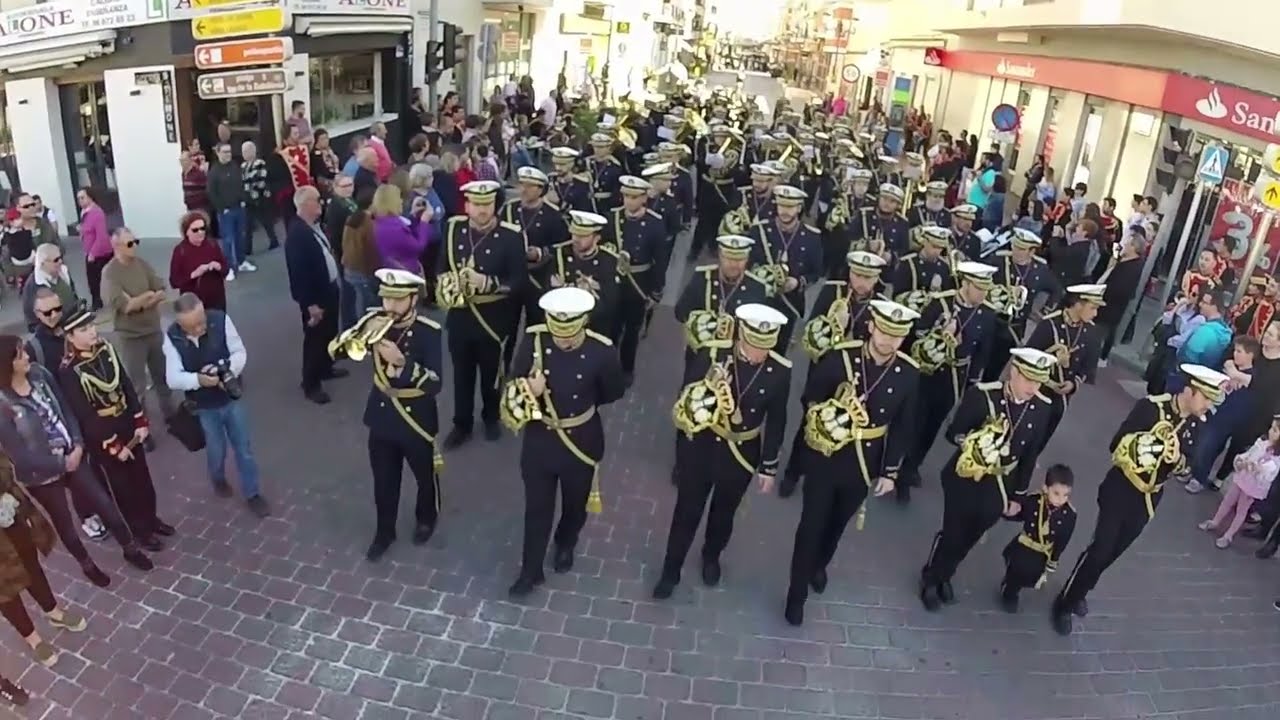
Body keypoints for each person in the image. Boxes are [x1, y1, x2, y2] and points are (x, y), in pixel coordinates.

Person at [1052, 364, 1227, 635]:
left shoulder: (1196, 424)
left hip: (1147, 499)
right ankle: (1065, 603)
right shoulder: (1152, 408)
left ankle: (1081, 588)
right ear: (1189, 391)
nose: (1207, 407)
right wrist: (1148, 447)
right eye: (1205, 398)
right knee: (1099, 550)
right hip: (1121, 488)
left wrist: (1176, 458)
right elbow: (1117, 444)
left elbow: (1188, 465)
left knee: (1113, 552)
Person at [784, 299, 920, 625]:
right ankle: (796, 593)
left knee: (836, 524)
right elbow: (810, 397)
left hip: (863, 463)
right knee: (811, 525)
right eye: (883, 331)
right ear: (871, 326)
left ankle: (820, 564)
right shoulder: (841, 356)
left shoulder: (908, 373)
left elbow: (904, 425)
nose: (887, 340)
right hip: (825, 458)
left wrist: (890, 471)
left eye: (896, 336)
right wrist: (828, 418)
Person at [654, 304, 792, 599]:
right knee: (687, 511)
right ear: (742, 334)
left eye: (765, 347)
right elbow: (685, 400)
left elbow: (777, 419)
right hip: (702, 446)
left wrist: (769, 466)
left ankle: (711, 556)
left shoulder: (779, 370)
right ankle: (670, 569)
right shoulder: (713, 354)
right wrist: (708, 393)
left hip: (741, 453)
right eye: (754, 344)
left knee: (723, 513)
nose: (758, 353)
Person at [0, 335, 154, 587]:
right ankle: (87, 565)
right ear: (6, 364)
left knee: (104, 502)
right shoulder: (3, 405)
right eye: (19, 355)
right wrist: (61, 464)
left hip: (73, 453)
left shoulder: (39, 375)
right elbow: (21, 457)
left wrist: (78, 443)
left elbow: (65, 408)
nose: (27, 357)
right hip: (43, 475)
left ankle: (130, 548)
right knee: (65, 523)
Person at [504, 287, 626, 597]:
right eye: (557, 333)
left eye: (569, 333)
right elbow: (512, 382)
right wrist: (529, 390)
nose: (563, 339)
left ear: (583, 323)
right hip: (540, 441)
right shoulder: (534, 340)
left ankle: (565, 542)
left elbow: (613, 391)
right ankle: (530, 571)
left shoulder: (602, 351)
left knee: (575, 505)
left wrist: (582, 404)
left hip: (580, 440)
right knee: (537, 508)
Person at [918, 347, 1058, 612]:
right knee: (952, 534)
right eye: (1028, 379)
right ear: (1014, 372)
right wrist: (977, 442)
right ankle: (931, 576)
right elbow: (953, 434)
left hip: (1000, 486)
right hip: (966, 478)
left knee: (972, 535)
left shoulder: (1041, 408)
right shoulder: (983, 397)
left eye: (1038, 381)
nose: (1033, 387)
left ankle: (947, 573)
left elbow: (1029, 455)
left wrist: (1018, 495)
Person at [333, 270, 443, 562]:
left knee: (424, 477)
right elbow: (345, 348)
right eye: (386, 298)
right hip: (382, 416)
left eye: (397, 300)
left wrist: (402, 363)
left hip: (416, 418)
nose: (389, 306)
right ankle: (385, 531)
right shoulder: (375, 322)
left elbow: (435, 384)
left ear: (412, 299)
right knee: (383, 480)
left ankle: (426, 518)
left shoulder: (429, 331)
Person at [57, 306, 172, 549]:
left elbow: (125, 383)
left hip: (126, 422)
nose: (92, 332)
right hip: (104, 434)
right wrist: (114, 445)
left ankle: (151, 520)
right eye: (84, 329)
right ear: (70, 336)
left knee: (143, 479)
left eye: (92, 326)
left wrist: (140, 420)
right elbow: (86, 414)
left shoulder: (106, 349)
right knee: (123, 488)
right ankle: (139, 531)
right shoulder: (69, 370)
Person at [780, 250, 888, 498]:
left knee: (841, 424)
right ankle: (793, 472)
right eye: (857, 274)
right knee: (811, 419)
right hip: (825, 368)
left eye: (867, 277)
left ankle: (823, 472)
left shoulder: (881, 304)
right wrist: (832, 326)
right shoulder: (832, 291)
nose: (860, 282)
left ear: (876, 279)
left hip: (856, 376)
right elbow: (811, 335)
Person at [162, 293, 271, 517]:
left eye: (201, 321)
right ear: (181, 324)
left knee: (244, 448)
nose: (201, 328)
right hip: (203, 406)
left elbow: (239, 352)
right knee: (216, 449)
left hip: (231, 399)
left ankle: (252, 493)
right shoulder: (172, 337)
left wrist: (228, 373)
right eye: (193, 326)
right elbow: (172, 378)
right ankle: (217, 476)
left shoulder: (220, 319)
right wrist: (198, 380)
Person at [437, 181, 527, 448]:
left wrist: (487, 283)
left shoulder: (511, 236)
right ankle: (461, 424)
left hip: (494, 319)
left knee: (492, 374)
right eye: (476, 204)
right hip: (461, 317)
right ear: (467, 205)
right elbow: (442, 265)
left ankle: (491, 416)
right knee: (462, 375)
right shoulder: (454, 229)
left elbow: (519, 280)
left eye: (487, 204)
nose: (482, 210)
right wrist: (448, 288)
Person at [0, 449, 88, 669]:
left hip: (9, 513)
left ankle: (53, 612)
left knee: (31, 565)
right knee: (5, 591)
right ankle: (33, 639)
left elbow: (4, 465)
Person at [601, 176, 669, 387]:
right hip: (613, 282)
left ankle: (626, 368)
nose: (628, 201)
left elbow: (660, 260)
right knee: (609, 328)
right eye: (625, 196)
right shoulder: (611, 218)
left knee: (631, 330)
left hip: (638, 283)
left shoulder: (655, 223)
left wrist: (656, 290)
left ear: (644, 198)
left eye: (634, 197)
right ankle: (606, 368)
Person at [285, 186, 348, 404]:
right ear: (304, 205)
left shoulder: (314, 227)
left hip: (328, 289)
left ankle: (326, 368)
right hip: (315, 297)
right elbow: (298, 273)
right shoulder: (297, 235)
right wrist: (310, 304)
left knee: (329, 332)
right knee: (315, 339)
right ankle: (310, 383)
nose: (321, 203)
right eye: (317, 200)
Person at [1026, 284, 1104, 455]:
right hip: (1035, 391)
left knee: (1039, 444)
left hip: (1059, 400)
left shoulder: (1092, 334)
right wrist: (1052, 360)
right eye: (1092, 307)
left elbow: (1087, 369)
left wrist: (1073, 384)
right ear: (1078, 304)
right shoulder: (1050, 325)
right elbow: (1027, 356)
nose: (1095, 313)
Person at [998, 463, 1076, 614]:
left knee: (1031, 576)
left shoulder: (1070, 515)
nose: (1061, 499)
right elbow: (1020, 514)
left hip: (1042, 552)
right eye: (1056, 493)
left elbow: (1062, 540)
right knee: (1015, 571)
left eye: (1066, 495)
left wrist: (1053, 560)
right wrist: (1007, 512)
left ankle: (1017, 586)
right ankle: (1009, 593)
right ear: (1045, 488)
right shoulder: (1034, 500)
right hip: (1025, 546)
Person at [547, 211, 620, 334]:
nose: (576, 239)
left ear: (597, 238)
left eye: (583, 235)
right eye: (574, 234)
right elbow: (549, 291)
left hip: (596, 325)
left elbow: (610, 302)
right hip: (564, 324)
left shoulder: (609, 261)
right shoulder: (560, 255)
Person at [207, 142, 255, 278]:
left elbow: (241, 185)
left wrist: (243, 200)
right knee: (228, 240)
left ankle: (241, 262)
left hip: (239, 208)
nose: (228, 154)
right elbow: (211, 192)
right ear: (218, 153)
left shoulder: (235, 167)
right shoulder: (214, 171)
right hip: (226, 211)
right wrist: (222, 208)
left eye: (229, 151)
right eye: (225, 152)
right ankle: (229, 268)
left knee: (240, 236)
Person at [169, 211, 228, 311]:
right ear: (186, 232)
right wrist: (194, 274)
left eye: (203, 228)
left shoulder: (212, 245)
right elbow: (174, 282)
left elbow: (225, 269)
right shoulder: (180, 251)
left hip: (216, 300)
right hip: (194, 304)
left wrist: (218, 266)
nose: (200, 232)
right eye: (195, 230)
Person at [21, 243, 79, 331]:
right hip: (55, 331)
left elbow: (73, 293)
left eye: (60, 258)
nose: (60, 262)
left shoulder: (63, 271)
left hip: (72, 322)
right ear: (43, 263)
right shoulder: (33, 286)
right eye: (55, 260)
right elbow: (32, 319)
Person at [77, 186, 111, 310]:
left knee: (94, 279)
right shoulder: (85, 212)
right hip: (90, 250)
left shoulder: (96, 213)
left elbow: (101, 235)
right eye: (78, 198)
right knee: (93, 279)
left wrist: (93, 253)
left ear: (90, 197)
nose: (80, 201)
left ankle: (97, 302)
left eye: (82, 198)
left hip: (99, 253)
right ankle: (98, 301)